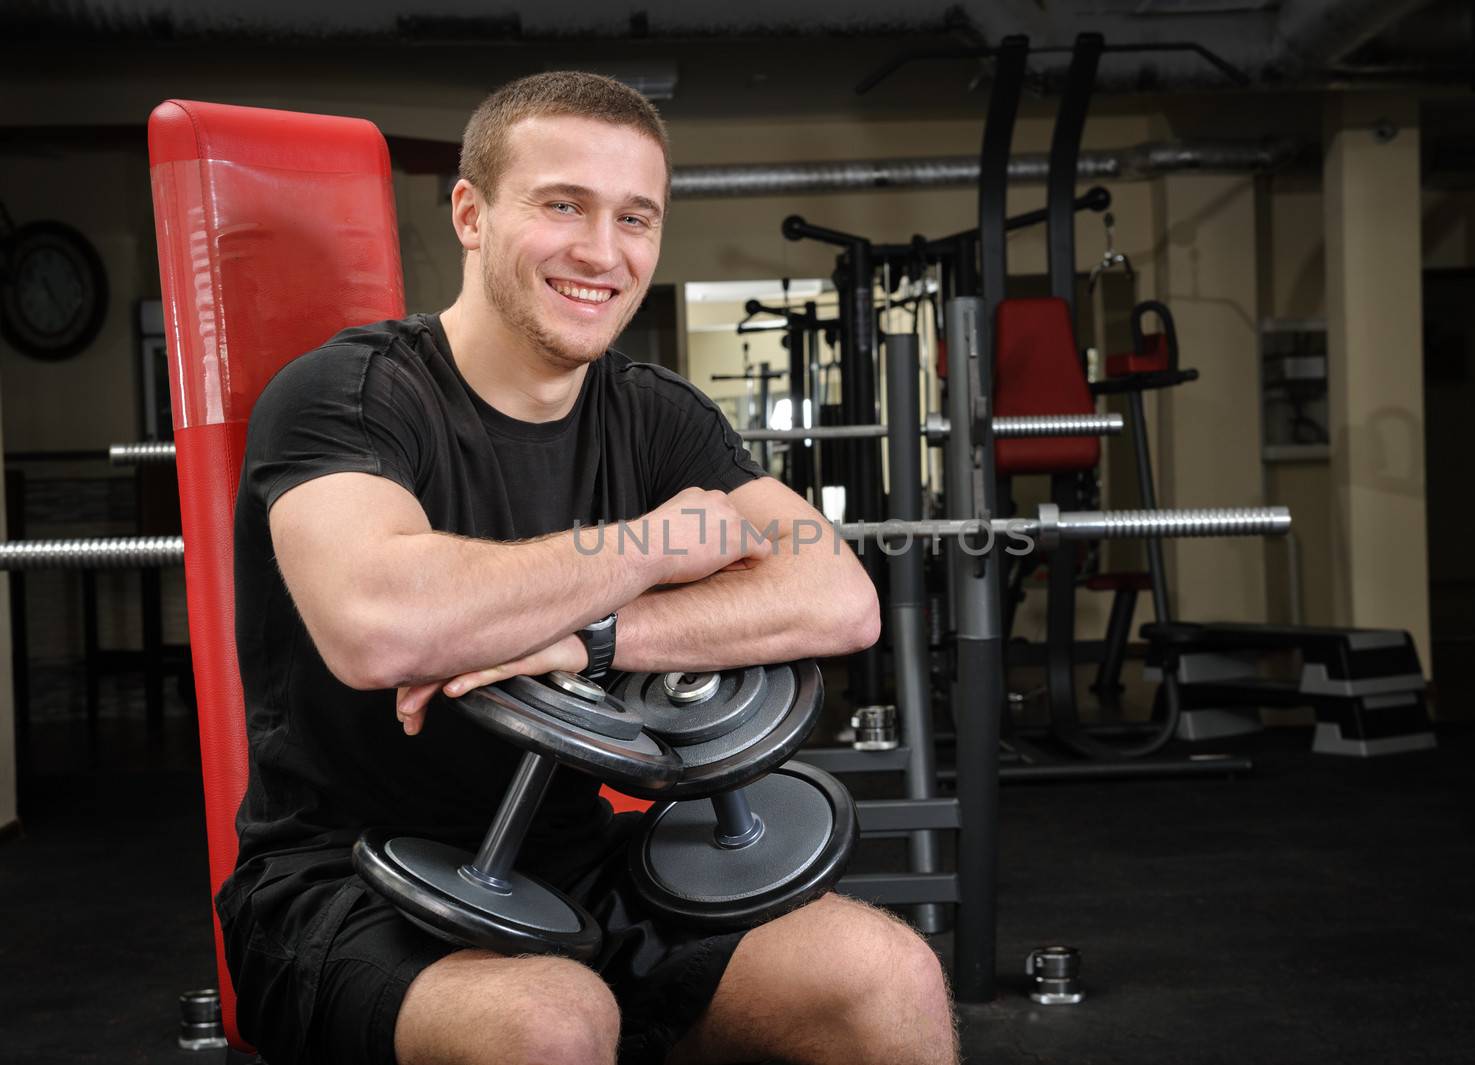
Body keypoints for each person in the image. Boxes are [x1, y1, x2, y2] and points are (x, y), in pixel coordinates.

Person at [219, 71, 960, 1065]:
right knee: (550, 1023)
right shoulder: (346, 396)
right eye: (561, 205)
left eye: (635, 218)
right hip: (345, 883)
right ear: (472, 214)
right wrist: (656, 544)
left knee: (884, 976)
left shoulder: (654, 414)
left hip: (574, 864)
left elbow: (838, 596)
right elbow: (379, 624)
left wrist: (590, 635)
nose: (601, 253)